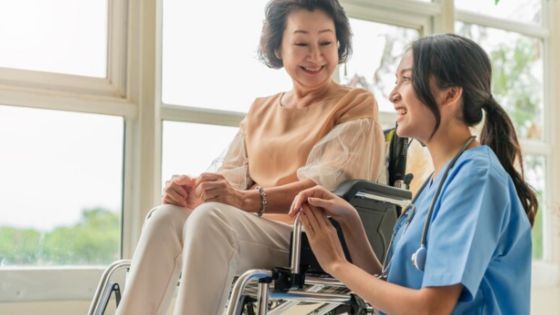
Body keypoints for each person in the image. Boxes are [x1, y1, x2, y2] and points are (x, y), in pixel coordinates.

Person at [115, 1, 386, 314]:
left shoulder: (354, 104)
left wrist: (245, 200)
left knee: (210, 218)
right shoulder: (261, 109)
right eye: (301, 43)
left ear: (340, 45)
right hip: (248, 230)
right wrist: (189, 190)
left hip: (308, 238)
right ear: (278, 49)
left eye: (326, 42)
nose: (315, 56)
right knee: (165, 216)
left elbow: (321, 188)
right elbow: (227, 179)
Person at [290, 33, 538, 315]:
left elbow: (431, 309)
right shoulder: (439, 181)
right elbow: (392, 291)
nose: (393, 94)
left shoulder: (476, 178)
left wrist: (336, 263)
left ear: (451, 94)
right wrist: (352, 223)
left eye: (406, 79)